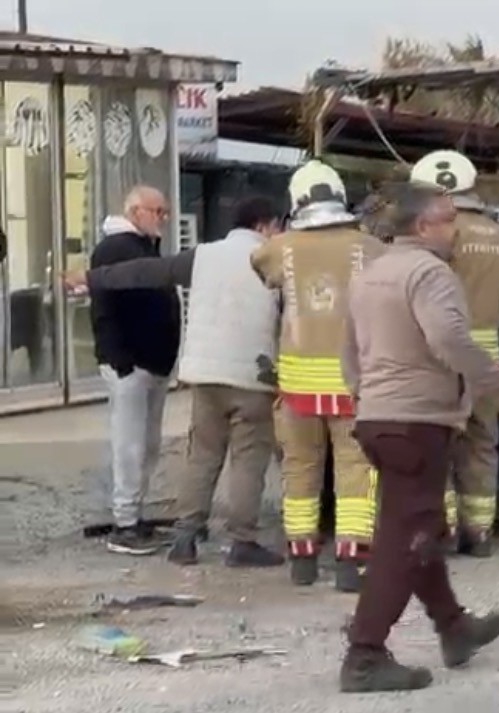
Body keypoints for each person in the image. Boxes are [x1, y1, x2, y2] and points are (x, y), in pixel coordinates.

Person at [338, 181, 499, 693]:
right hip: (418, 421)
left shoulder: (370, 273)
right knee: (404, 539)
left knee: (418, 526)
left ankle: (454, 625)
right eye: (449, 218)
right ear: (424, 226)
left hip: (380, 418)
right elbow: (449, 340)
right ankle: (364, 654)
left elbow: (350, 354)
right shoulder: (430, 273)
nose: (457, 228)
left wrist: (369, 399)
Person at [69, 197, 287, 568]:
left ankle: (186, 537)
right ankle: (242, 541)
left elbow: (146, 272)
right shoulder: (276, 258)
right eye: (277, 226)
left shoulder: (203, 255)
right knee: (248, 462)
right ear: (263, 226)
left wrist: (89, 279)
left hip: (204, 375)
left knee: (202, 456)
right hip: (253, 376)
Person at [251, 160, 384, 592]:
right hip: (354, 383)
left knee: (300, 470)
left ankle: (303, 561)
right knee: (356, 472)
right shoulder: (371, 247)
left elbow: (261, 266)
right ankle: (350, 563)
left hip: (297, 387)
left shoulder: (280, 248)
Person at [409, 150, 499, 557]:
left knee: (435, 444)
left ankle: (444, 530)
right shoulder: (498, 234)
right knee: (481, 442)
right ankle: (480, 532)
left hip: (440, 356)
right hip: (486, 359)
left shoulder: (435, 232)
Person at [90, 185, 182, 556]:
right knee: (130, 445)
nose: (163, 219)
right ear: (134, 211)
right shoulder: (116, 248)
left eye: (165, 212)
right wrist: (121, 360)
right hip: (131, 363)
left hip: (151, 363)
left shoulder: (143, 247)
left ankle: (133, 514)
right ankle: (125, 522)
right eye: (157, 211)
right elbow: (107, 307)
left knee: (147, 444)